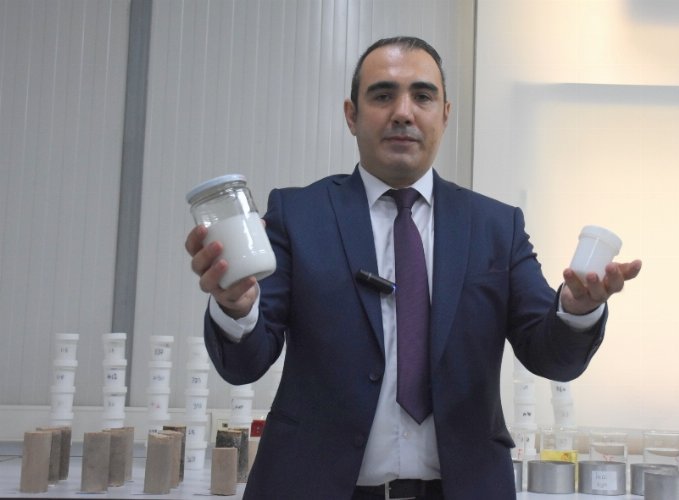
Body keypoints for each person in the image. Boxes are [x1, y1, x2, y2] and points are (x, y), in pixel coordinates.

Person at [185, 36, 641, 500]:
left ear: (445, 114)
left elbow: (552, 357)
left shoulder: (496, 227)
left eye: (422, 96)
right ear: (351, 115)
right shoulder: (298, 215)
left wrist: (576, 311)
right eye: (383, 95)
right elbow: (244, 364)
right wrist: (236, 308)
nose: (403, 112)